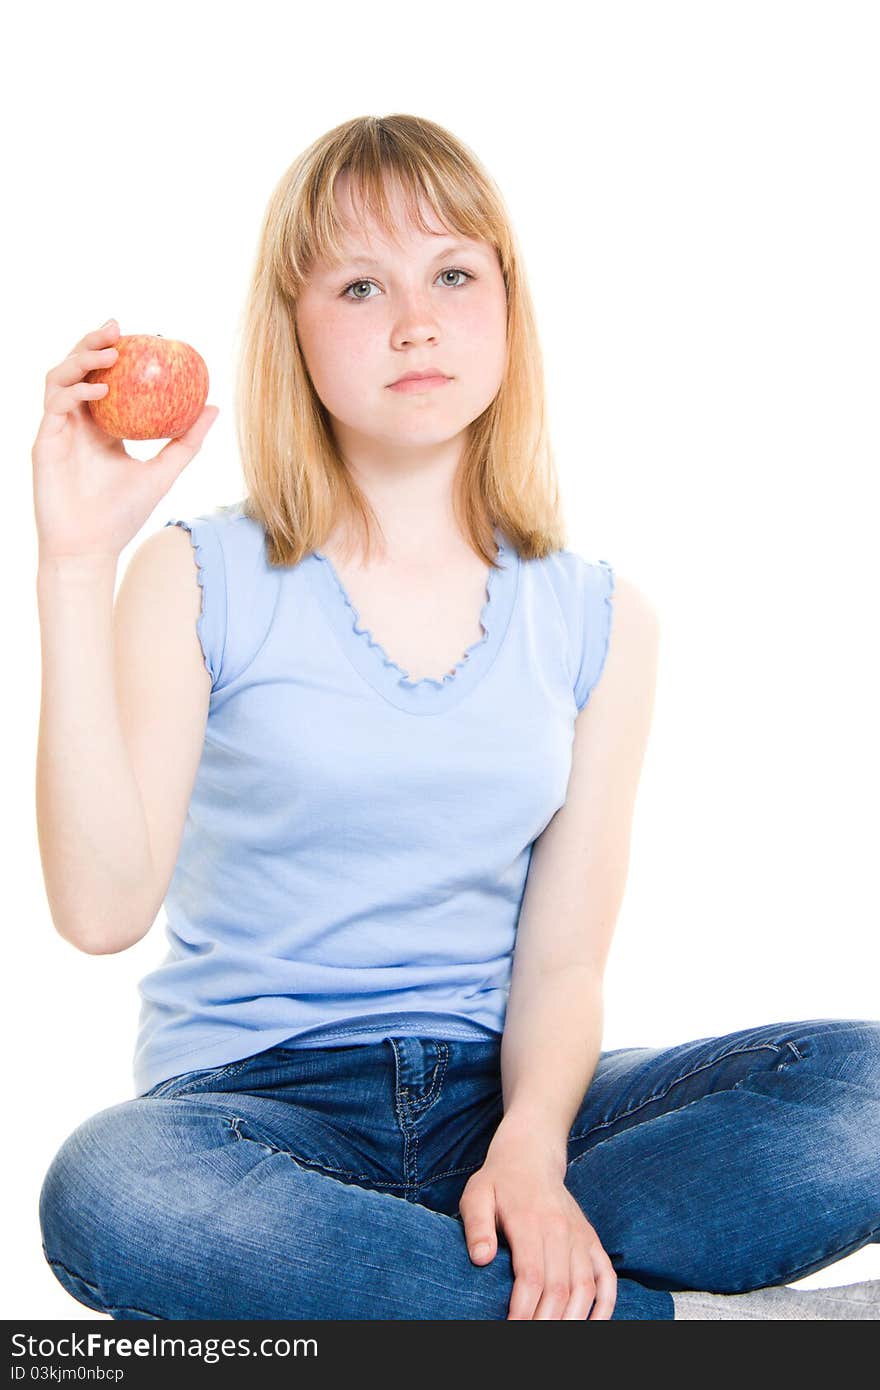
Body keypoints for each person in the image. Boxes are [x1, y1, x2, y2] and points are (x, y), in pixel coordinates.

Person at [33, 113, 880, 1321]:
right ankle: (677, 1327)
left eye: (452, 274)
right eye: (361, 283)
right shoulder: (197, 575)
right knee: (112, 1191)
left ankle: (420, 1285)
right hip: (257, 1121)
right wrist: (73, 564)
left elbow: (565, 956)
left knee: (866, 1087)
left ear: (505, 305)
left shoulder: (599, 618)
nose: (415, 319)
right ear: (294, 327)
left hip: (520, 1106)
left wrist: (530, 1151)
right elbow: (103, 909)